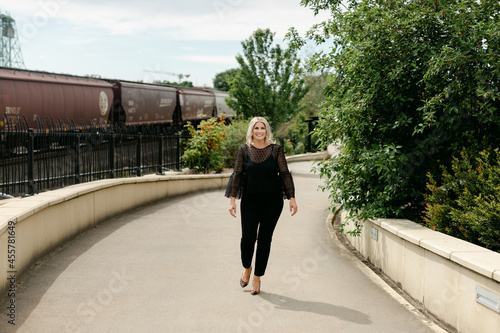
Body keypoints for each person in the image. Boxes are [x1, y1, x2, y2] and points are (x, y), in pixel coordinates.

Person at [225, 116, 298, 295]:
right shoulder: (244, 150)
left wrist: (292, 198)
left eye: (262, 128)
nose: (259, 131)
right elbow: (237, 174)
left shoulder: (276, 150)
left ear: (266, 131)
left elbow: (285, 174)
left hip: (272, 202)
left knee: (265, 240)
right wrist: (232, 199)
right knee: (247, 238)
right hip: (250, 200)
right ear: (252, 130)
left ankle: (257, 277)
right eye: (256, 128)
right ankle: (247, 267)